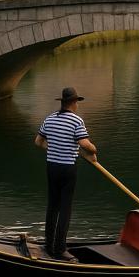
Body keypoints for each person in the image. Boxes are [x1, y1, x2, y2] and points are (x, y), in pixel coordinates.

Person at [34, 87, 98, 262]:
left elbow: (38, 141)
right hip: (67, 169)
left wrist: (55, 148)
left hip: (52, 167)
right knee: (65, 208)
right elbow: (85, 144)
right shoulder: (76, 121)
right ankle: (60, 249)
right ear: (74, 103)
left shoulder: (49, 118)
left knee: (52, 206)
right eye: (77, 102)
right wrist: (94, 150)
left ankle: (49, 245)